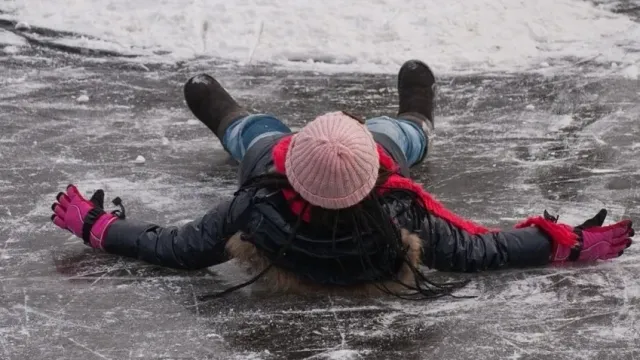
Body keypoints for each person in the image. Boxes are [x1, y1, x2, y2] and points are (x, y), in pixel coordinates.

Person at [50, 60, 634, 300]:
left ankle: (229, 117)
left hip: (277, 163)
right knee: (397, 136)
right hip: (361, 162)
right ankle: (416, 117)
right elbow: (481, 250)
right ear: (375, 178)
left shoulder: (257, 203)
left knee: (253, 137)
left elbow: (176, 248)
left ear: (293, 165)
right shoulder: (400, 210)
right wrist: (563, 243)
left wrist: (100, 227)